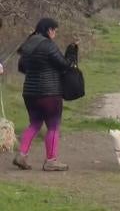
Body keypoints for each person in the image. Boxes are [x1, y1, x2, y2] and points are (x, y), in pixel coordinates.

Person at [13, 18, 76, 171]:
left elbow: (21, 67)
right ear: (48, 30)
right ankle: (51, 161)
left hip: (29, 92)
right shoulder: (48, 45)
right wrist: (71, 53)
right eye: (54, 30)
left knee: (34, 124)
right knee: (53, 126)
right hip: (49, 93)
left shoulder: (28, 44)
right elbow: (64, 65)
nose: (55, 33)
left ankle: (21, 155)